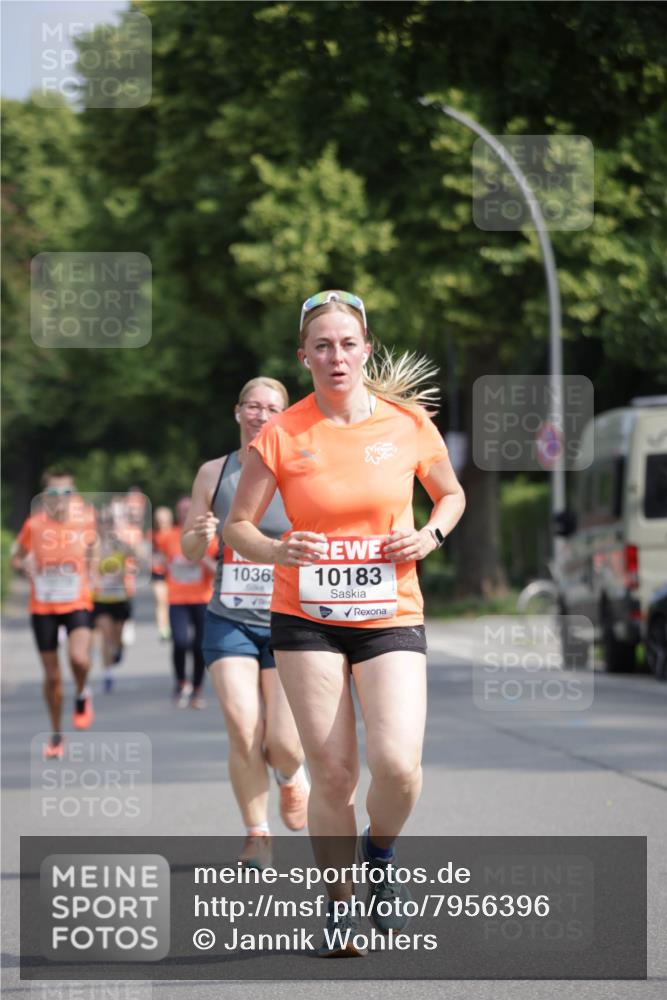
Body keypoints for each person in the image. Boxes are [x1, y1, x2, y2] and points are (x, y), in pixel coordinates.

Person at [224, 290, 466, 955]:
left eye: (347, 343)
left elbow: (449, 494)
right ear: (303, 356)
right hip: (305, 614)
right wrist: (277, 549)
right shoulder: (280, 434)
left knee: (397, 764)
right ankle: (337, 903)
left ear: (365, 349)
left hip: (390, 611)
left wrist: (430, 536)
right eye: (321, 346)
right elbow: (237, 527)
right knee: (332, 775)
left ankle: (380, 857)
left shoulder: (406, 423)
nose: (335, 356)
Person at [181, 377, 309, 870]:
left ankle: (291, 776)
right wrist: (198, 534)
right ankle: (257, 833)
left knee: (282, 743)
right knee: (242, 729)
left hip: (288, 619)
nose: (260, 414)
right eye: (252, 406)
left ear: (284, 414)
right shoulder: (215, 473)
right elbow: (192, 553)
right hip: (228, 618)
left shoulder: (297, 469)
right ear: (238, 413)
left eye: (271, 407)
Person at [11, 469, 98, 758]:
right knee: (52, 678)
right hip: (43, 605)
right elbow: (16, 558)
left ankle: (83, 692)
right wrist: (24, 567)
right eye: (53, 494)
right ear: (44, 498)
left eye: (66, 493)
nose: (60, 500)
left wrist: (94, 575)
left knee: (79, 658)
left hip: (77, 600)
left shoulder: (85, 519)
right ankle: (56, 734)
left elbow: (93, 549)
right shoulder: (34, 525)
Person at [153, 497, 217, 708]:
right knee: (180, 642)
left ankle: (197, 689)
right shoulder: (167, 537)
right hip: (177, 599)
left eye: (189, 510)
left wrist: (198, 556)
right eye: (181, 510)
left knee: (199, 646)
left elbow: (217, 570)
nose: (184, 514)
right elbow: (160, 562)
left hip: (202, 598)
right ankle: (181, 682)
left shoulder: (209, 538)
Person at [90, 505, 137, 693]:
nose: (105, 526)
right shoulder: (93, 545)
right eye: (101, 522)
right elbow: (89, 569)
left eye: (108, 522)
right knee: (106, 635)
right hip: (100, 598)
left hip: (119, 597)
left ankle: (119, 650)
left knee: (117, 636)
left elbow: (137, 557)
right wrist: (96, 580)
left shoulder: (120, 544)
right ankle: (108, 674)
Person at [150, 506, 173, 640]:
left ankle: (171, 624)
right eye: (159, 519)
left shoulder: (176, 533)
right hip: (158, 572)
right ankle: (163, 628)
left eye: (164, 519)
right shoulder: (152, 536)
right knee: (160, 600)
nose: (161, 522)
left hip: (173, 573)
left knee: (170, 601)